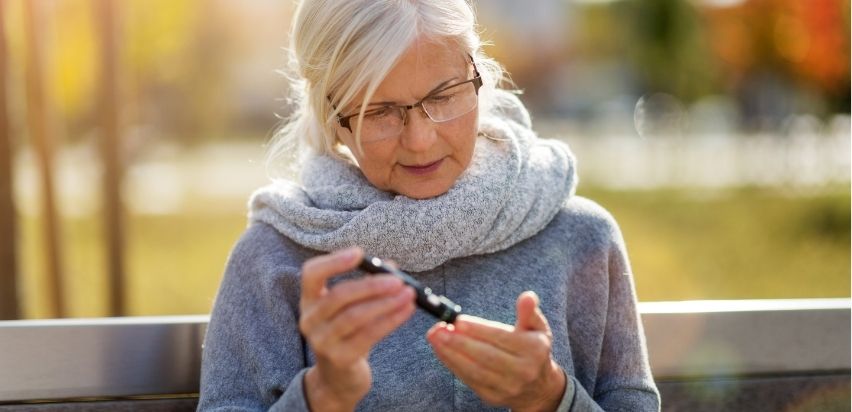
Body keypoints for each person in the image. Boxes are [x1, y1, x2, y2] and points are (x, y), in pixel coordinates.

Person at [198, 0, 660, 411]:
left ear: (479, 79)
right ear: (330, 118)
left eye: (443, 96)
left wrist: (549, 398)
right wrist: (323, 396)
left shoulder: (583, 237)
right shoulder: (272, 260)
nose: (420, 141)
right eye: (378, 112)